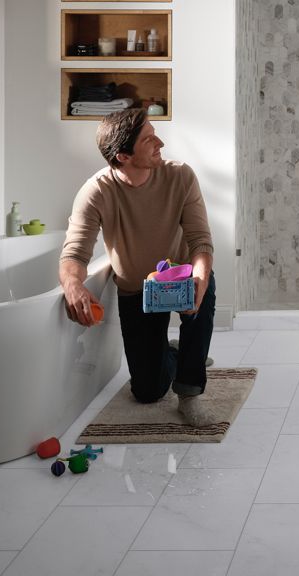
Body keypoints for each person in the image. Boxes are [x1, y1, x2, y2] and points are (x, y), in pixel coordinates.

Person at [60, 108, 216, 422]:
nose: (160, 142)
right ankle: (171, 354)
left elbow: (200, 240)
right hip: (137, 291)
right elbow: (74, 255)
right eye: (148, 139)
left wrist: (200, 278)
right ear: (123, 156)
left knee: (206, 289)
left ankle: (189, 392)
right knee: (146, 391)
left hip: (182, 279)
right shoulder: (95, 192)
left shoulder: (180, 176)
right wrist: (73, 285)